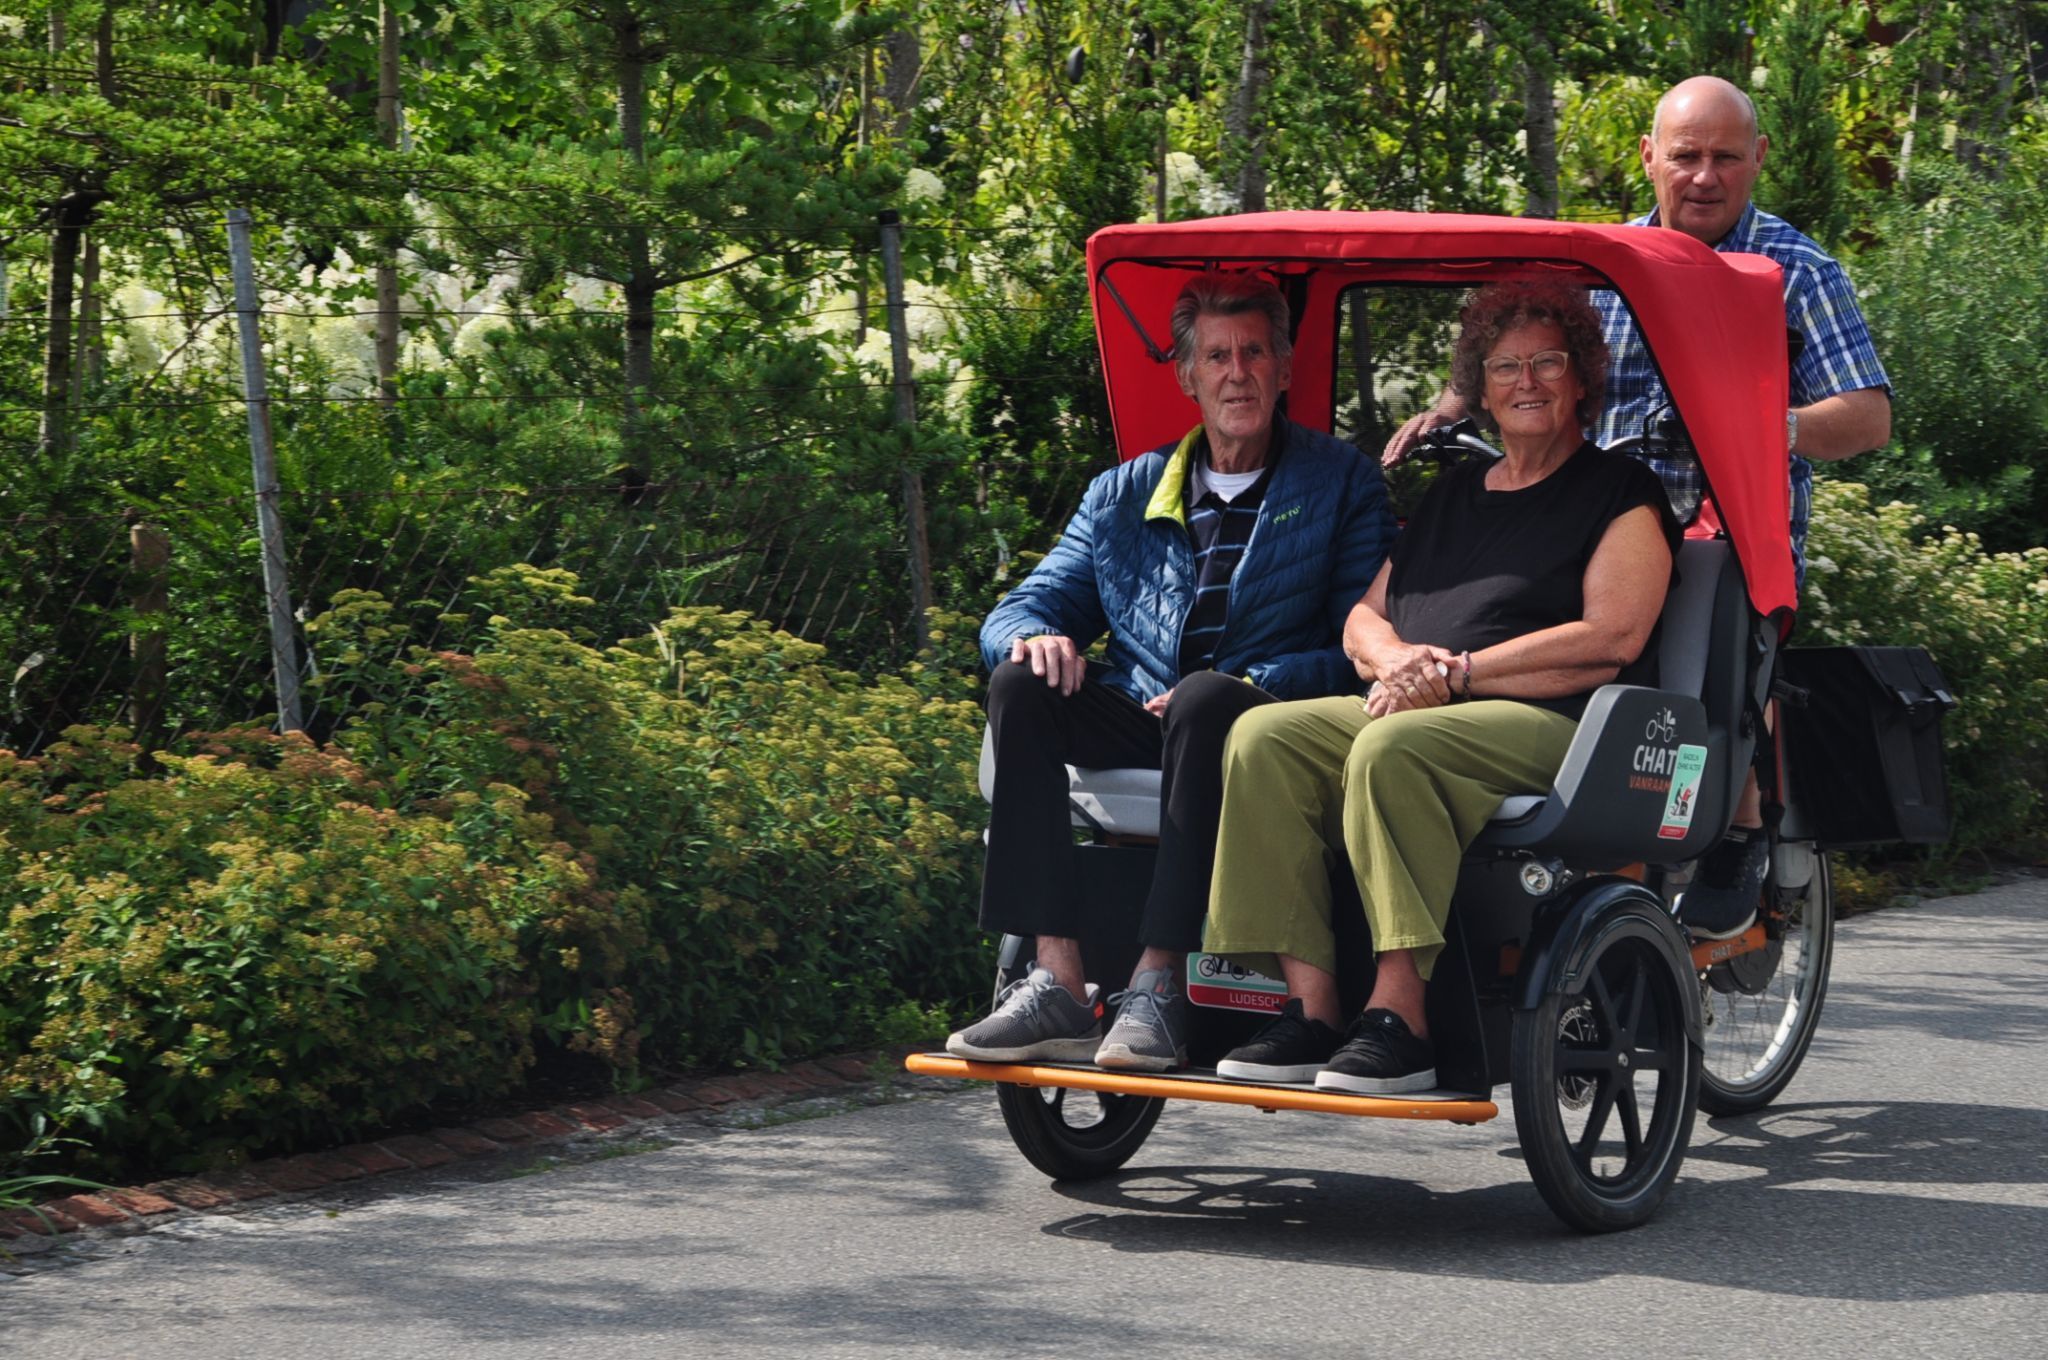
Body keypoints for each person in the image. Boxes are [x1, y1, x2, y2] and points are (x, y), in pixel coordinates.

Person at [1382, 75, 1891, 941]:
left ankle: (1737, 827)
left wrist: (1763, 426)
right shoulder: (1603, 265)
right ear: (1650, 157)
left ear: (1757, 159)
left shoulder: (1794, 272)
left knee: (1722, 636)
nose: (1704, 175)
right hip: (1595, 515)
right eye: (1685, 156)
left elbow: (1867, 416)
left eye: (1725, 157)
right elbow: (1520, 348)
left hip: (1723, 521)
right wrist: (1451, 404)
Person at [1205, 280, 1678, 1093]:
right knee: (1260, 735)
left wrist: (1456, 674)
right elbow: (1364, 614)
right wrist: (1395, 662)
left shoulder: (1620, 492)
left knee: (1394, 746)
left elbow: (1612, 638)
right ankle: (1310, 1007)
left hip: (1558, 723)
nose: (1526, 382)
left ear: (1582, 378)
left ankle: (1401, 1018)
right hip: (1422, 701)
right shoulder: (1454, 493)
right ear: (1481, 389)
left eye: (1547, 363)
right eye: (1505, 368)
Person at [946, 271, 1395, 1073]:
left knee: (1205, 697)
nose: (1237, 372)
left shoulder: (1342, 483)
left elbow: (1360, 644)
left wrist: (1261, 679)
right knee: (1019, 683)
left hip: (1256, 724)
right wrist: (1036, 636)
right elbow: (1019, 608)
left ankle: (1156, 984)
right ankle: (1056, 975)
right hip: (1142, 715)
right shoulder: (1122, 493)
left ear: (1284, 369)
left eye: (1254, 352)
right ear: (1187, 375)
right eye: (1216, 356)